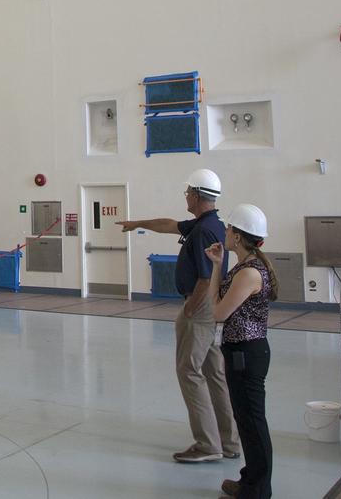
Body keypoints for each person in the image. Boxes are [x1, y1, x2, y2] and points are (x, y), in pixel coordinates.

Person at [117, 168, 240, 463]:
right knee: (213, 372)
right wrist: (138, 223)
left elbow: (204, 275)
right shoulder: (207, 224)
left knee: (189, 371)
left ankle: (208, 444)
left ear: (197, 195)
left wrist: (191, 308)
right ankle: (229, 441)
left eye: (187, 192)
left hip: (200, 306)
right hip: (209, 305)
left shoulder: (204, 231)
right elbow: (169, 224)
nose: (185, 196)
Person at [204, 203, 278, 499]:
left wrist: (217, 303)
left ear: (237, 235)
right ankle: (250, 480)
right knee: (245, 420)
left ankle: (258, 489)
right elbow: (216, 302)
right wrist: (215, 265)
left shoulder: (249, 273)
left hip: (247, 354)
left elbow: (219, 312)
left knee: (253, 422)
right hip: (239, 352)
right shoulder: (241, 267)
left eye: (229, 228)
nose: (225, 231)